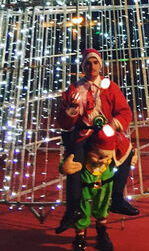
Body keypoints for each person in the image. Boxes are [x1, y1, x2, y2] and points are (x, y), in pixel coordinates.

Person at [56, 48, 139, 234]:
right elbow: (63, 121)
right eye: (88, 63)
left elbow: (125, 112)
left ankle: (117, 198)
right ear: (83, 66)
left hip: (106, 131)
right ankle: (74, 209)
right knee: (74, 165)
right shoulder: (75, 89)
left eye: (95, 63)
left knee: (127, 153)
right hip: (83, 134)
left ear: (100, 65)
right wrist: (70, 113)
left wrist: (114, 125)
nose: (91, 66)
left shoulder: (110, 86)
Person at [60, 126, 118, 250]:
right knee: (81, 209)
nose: (102, 161)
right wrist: (64, 166)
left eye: (107, 157)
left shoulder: (108, 161)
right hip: (84, 186)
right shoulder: (82, 157)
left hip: (104, 185)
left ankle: (101, 232)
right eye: (99, 157)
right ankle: (80, 236)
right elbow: (69, 159)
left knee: (102, 207)